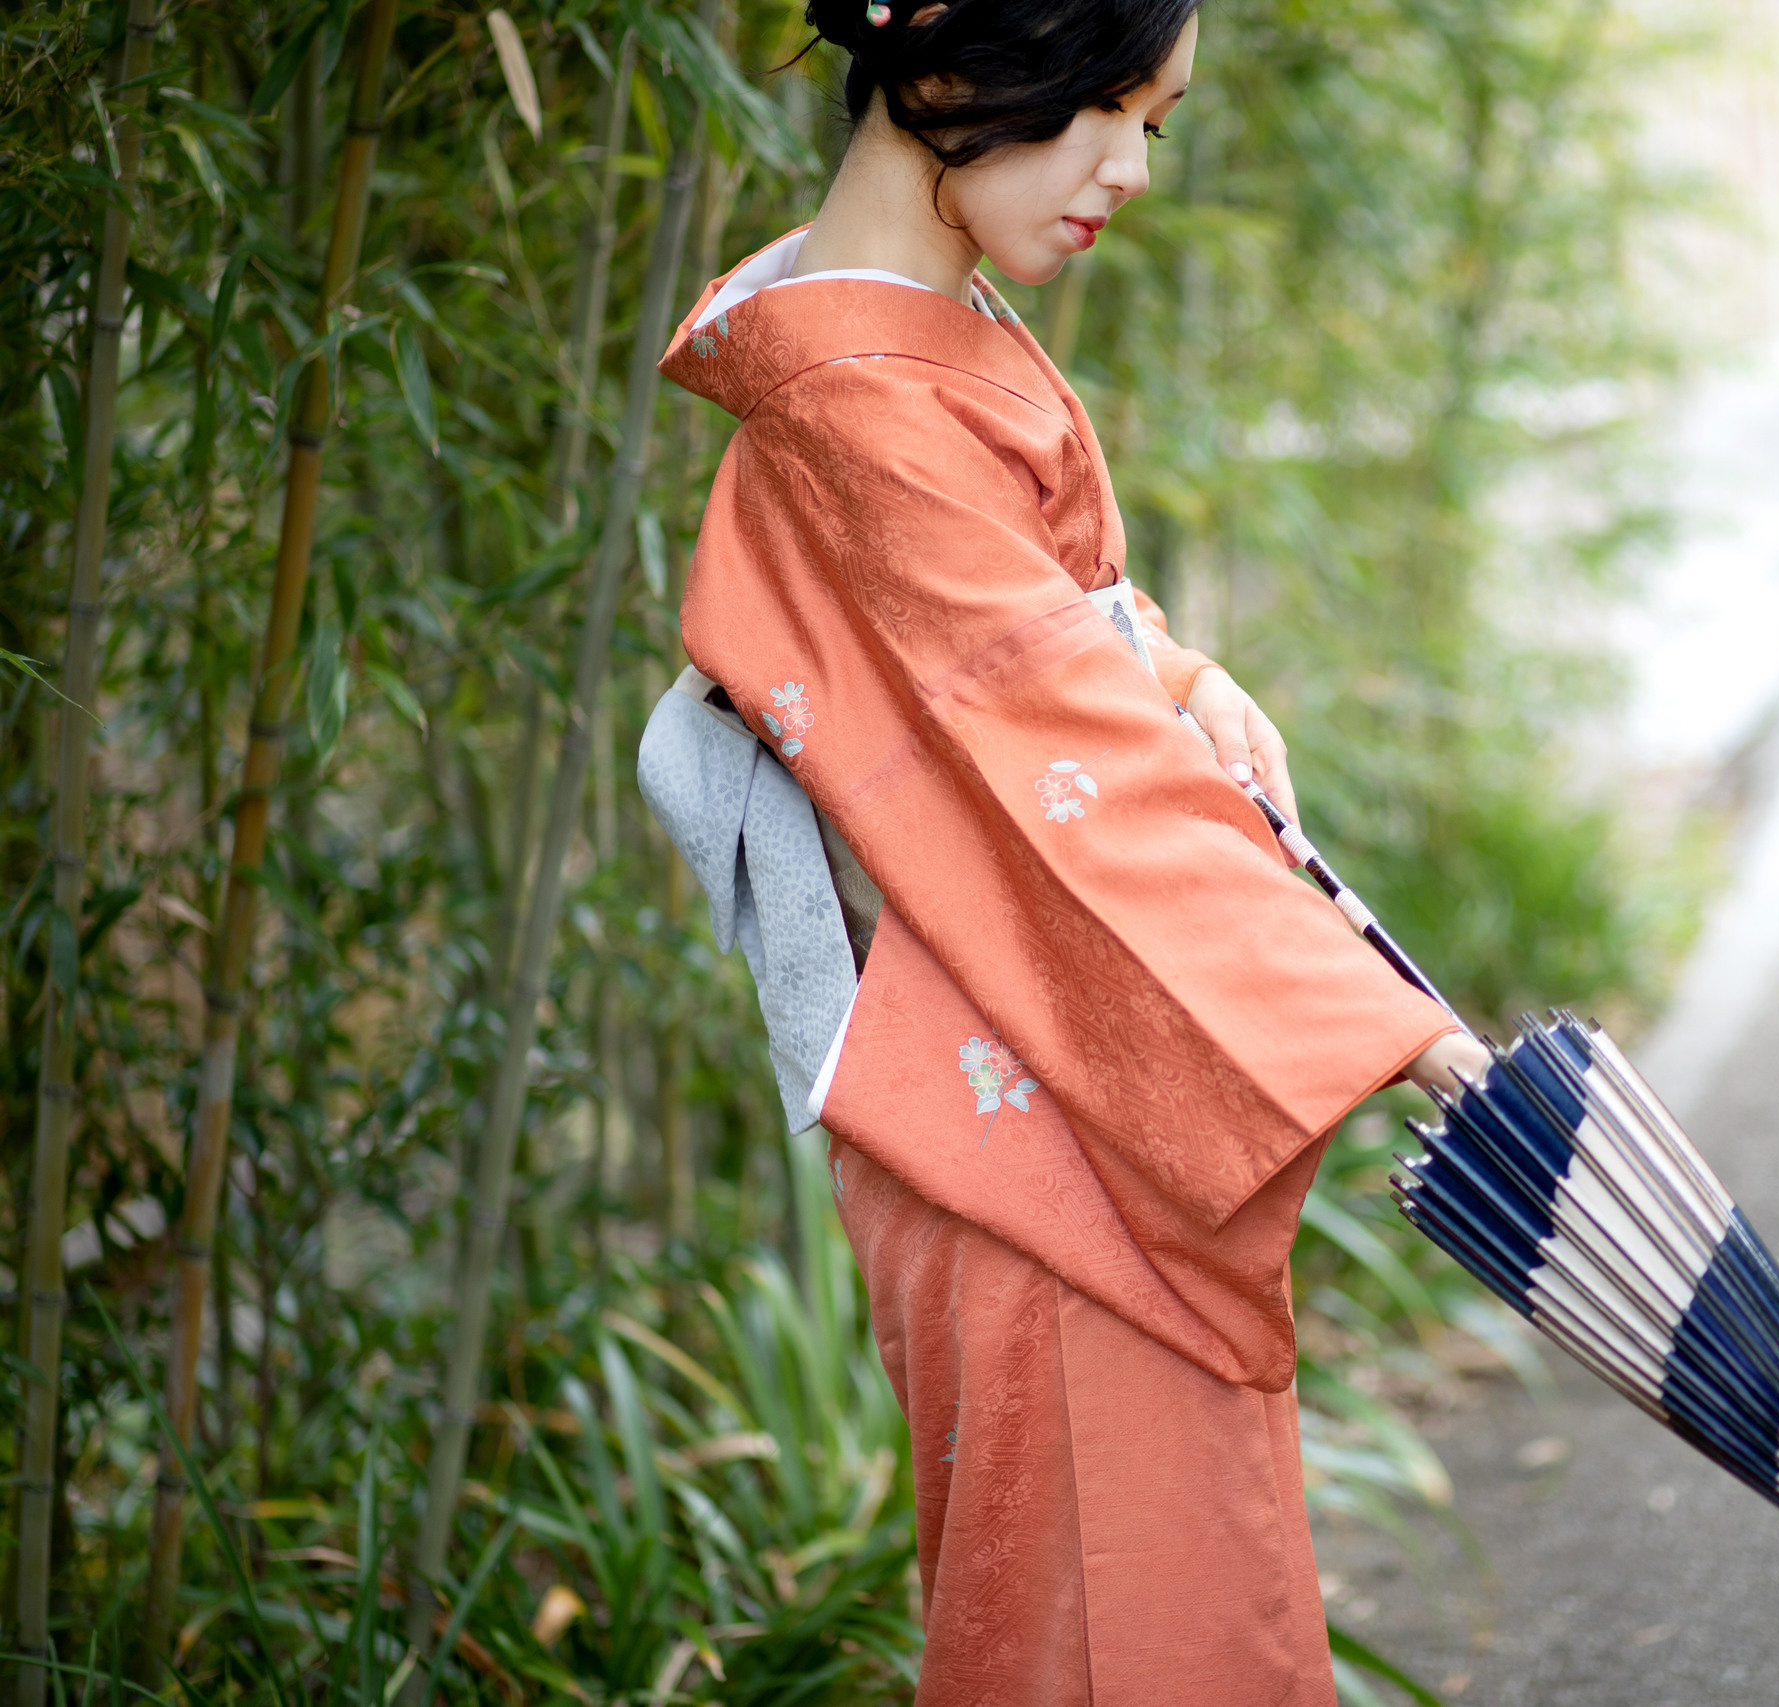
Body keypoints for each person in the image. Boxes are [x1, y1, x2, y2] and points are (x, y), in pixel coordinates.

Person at [653, 0, 1492, 1699]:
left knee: (1155, 1615)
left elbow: (1045, 657)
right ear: (950, 59)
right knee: (1113, 1637)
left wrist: (1174, 673)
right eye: (1102, 103)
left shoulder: (899, 338)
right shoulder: (855, 400)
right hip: (1022, 1130)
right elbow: (1066, 761)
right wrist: (1404, 1033)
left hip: (1050, 1075)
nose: (1132, 169)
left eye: (1152, 123)